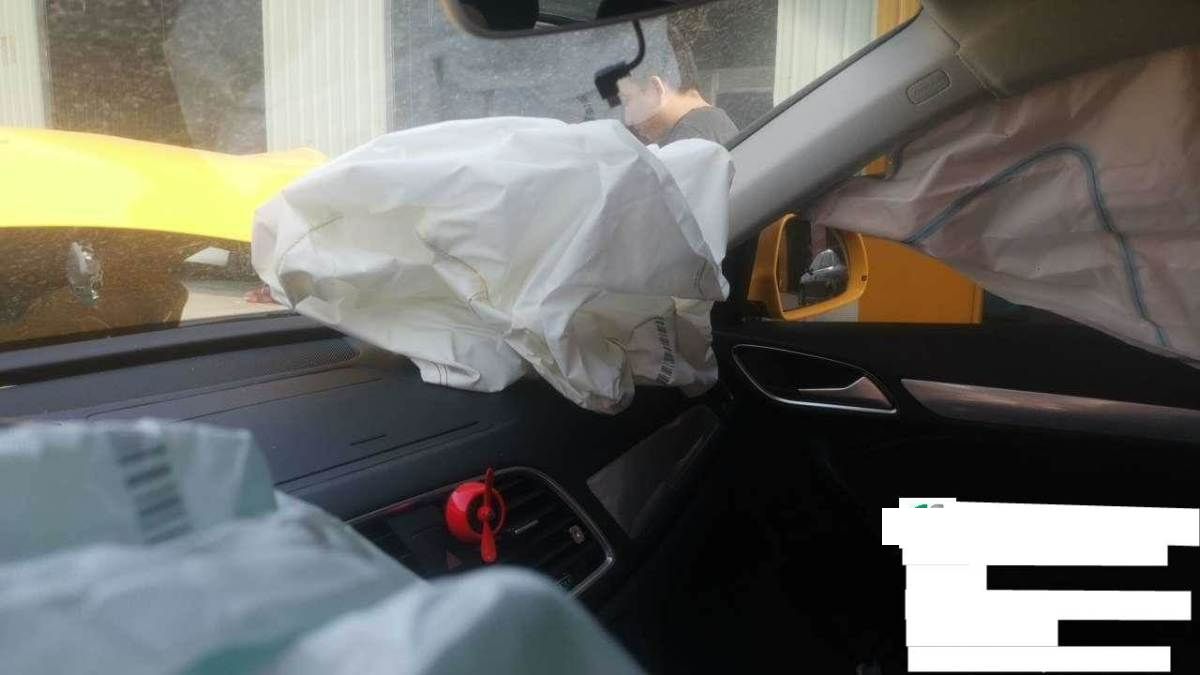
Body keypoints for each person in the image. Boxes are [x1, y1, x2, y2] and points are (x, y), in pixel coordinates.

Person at [616, 13, 738, 146]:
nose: (628, 119)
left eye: (627, 100)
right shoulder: (714, 124)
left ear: (656, 89)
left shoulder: (686, 140)